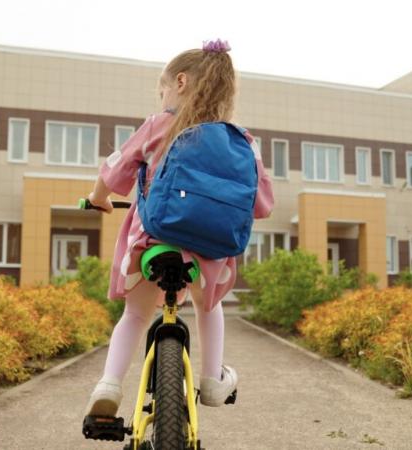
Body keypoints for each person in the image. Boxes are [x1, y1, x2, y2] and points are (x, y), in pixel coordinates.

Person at [84, 39, 274, 417]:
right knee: (210, 306)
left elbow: (115, 169)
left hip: (152, 240)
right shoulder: (243, 141)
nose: (161, 97)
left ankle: (108, 385)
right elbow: (263, 203)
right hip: (211, 252)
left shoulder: (159, 125)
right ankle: (212, 380)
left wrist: (98, 197)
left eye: (163, 89)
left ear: (181, 82)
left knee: (136, 316)